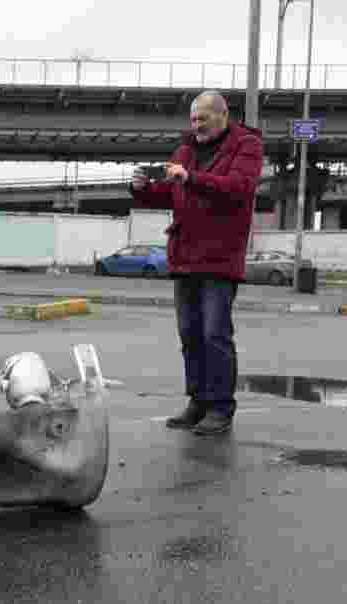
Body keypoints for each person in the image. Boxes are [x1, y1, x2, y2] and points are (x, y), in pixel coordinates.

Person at [130, 91, 263, 436]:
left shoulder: (246, 146)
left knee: (214, 334)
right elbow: (172, 193)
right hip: (186, 254)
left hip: (220, 256)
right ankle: (198, 402)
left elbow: (238, 188)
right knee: (190, 335)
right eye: (192, 119)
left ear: (223, 115)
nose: (196, 125)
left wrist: (189, 178)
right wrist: (143, 189)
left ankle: (220, 408)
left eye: (202, 118)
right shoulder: (186, 150)